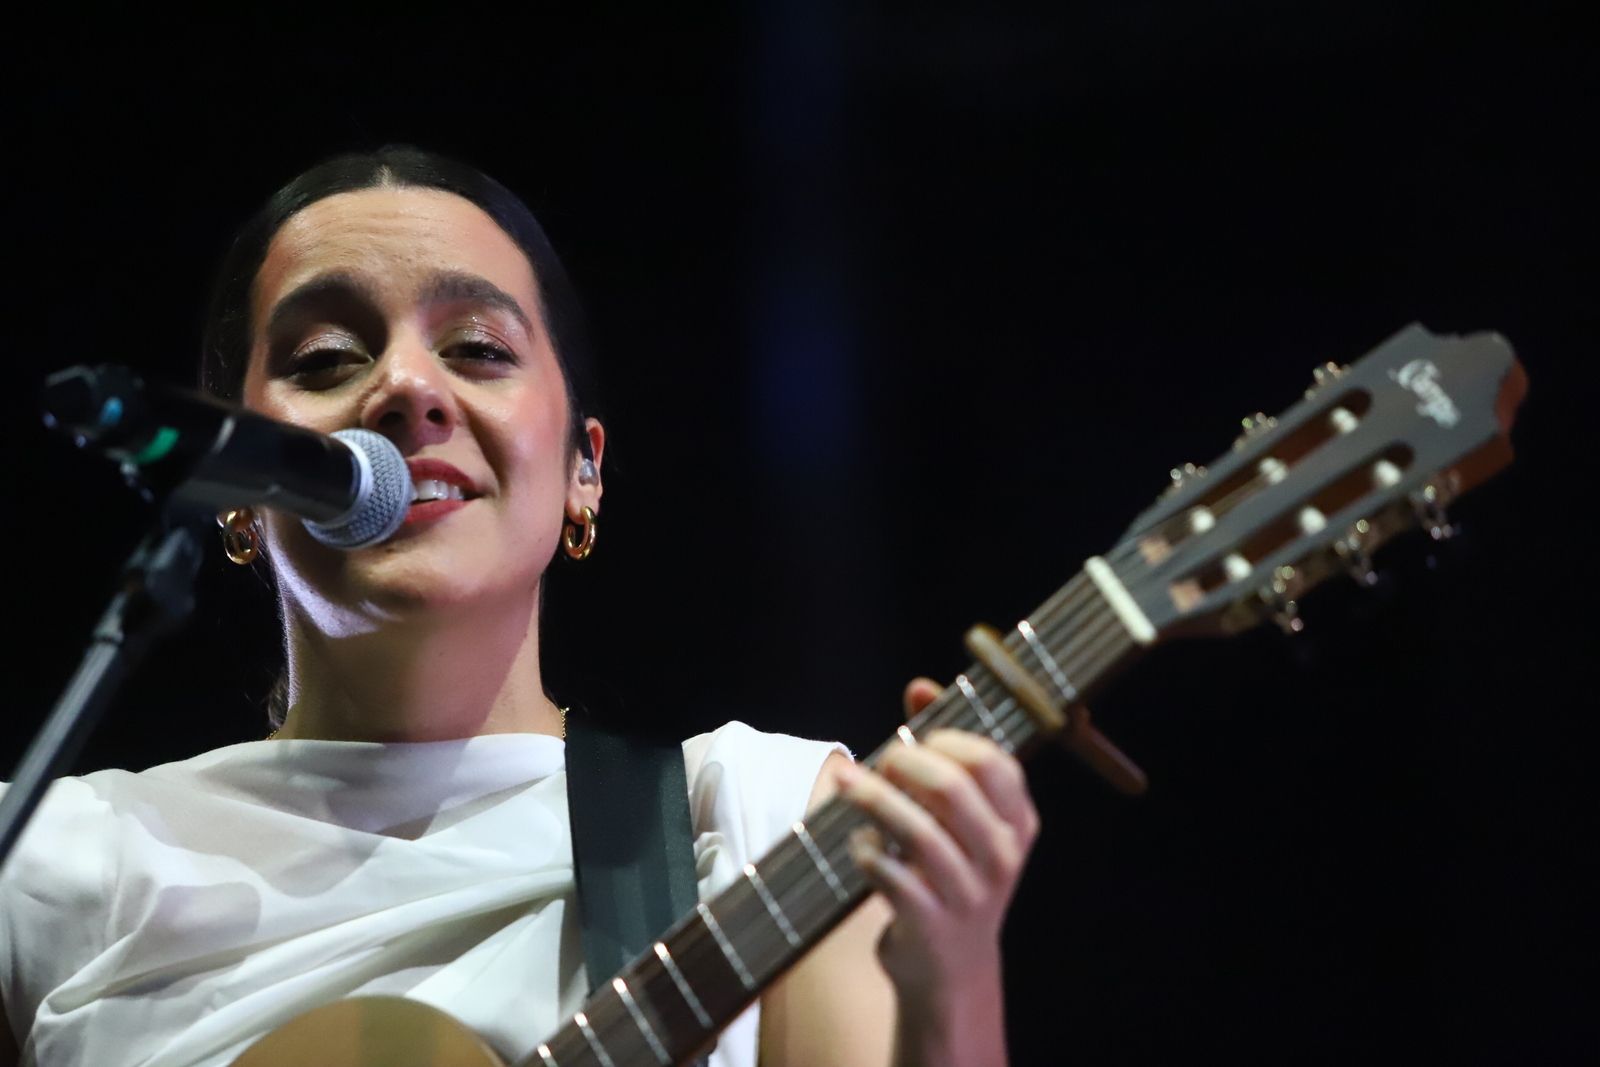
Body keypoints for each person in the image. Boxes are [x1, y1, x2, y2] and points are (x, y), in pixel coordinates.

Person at [0, 147, 1039, 1067]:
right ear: (233, 489)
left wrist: (951, 975)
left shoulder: (759, 817)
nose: (407, 388)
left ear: (583, 471)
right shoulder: (46, 859)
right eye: (325, 359)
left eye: (479, 349)